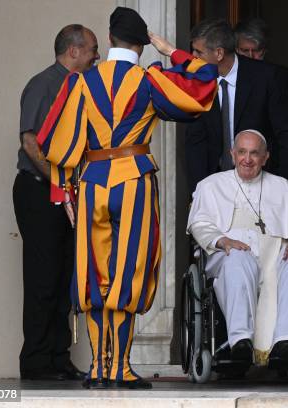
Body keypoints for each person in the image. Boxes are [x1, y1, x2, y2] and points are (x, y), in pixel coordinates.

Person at [36, 7, 217, 389]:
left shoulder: (80, 82)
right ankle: (120, 366)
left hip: (93, 181)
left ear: (111, 38)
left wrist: (64, 191)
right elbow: (203, 86)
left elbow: (54, 143)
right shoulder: (150, 78)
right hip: (134, 179)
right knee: (130, 270)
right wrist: (171, 51)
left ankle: (100, 367)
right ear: (142, 41)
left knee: (93, 274)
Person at [13, 24, 99, 381]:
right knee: (42, 279)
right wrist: (59, 182)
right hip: (39, 190)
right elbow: (30, 140)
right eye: (93, 49)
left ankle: (58, 358)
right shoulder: (43, 84)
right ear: (74, 50)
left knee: (66, 276)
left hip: (67, 193)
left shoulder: (80, 87)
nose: (98, 56)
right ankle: (36, 361)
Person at [187, 129, 288, 369]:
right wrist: (222, 241)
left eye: (255, 153)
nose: (248, 159)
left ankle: (286, 342)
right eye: (242, 152)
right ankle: (241, 341)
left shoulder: (283, 187)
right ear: (232, 154)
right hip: (227, 253)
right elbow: (199, 223)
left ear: (265, 157)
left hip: (273, 251)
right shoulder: (211, 186)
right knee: (238, 258)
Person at [185, 19, 288, 192]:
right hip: (215, 186)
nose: (193, 57)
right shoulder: (196, 82)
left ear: (219, 53)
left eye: (199, 52)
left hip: (264, 184)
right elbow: (195, 143)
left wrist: (283, 187)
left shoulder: (267, 77)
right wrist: (197, 192)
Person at [234, 18, 288, 210]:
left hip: (274, 171)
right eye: (245, 51)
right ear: (234, 50)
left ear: (265, 51)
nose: (251, 56)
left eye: (256, 51)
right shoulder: (226, 78)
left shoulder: (284, 77)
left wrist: (285, 178)